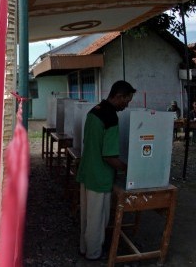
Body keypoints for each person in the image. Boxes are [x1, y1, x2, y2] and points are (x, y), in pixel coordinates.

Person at [77, 80, 136, 261]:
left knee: (86, 216)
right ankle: (93, 254)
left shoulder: (94, 110)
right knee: (97, 219)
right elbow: (109, 156)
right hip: (100, 177)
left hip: (87, 172)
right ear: (118, 96)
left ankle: (84, 247)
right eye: (127, 100)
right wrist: (127, 168)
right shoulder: (111, 118)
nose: (127, 105)